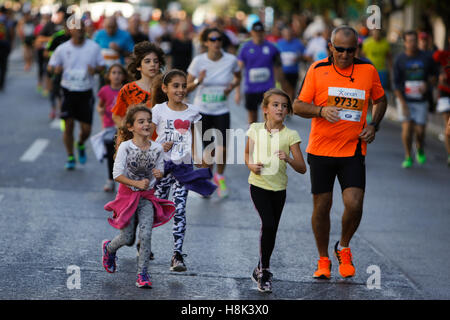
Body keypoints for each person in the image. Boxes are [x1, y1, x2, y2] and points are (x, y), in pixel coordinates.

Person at [294, 26, 387, 279]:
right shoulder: (317, 70)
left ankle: (343, 246)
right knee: (322, 206)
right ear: (330, 47)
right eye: (340, 49)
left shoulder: (368, 70)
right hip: (322, 150)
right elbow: (297, 105)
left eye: (351, 50)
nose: (345, 55)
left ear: (356, 49)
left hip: (353, 149)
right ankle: (323, 259)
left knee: (354, 204)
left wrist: (374, 125)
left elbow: (380, 99)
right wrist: (321, 111)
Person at [102, 105, 176, 288]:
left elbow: (160, 169)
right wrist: (135, 184)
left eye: (149, 121)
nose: (146, 124)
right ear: (130, 127)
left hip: (147, 198)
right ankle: (109, 248)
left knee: (146, 234)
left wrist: (159, 174)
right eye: (141, 121)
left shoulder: (157, 148)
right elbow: (116, 174)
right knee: (127, 238)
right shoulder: (125, 147)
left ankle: (142, 273)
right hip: (127, 197)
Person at [150, 69, 216, 272]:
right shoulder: (158, 110)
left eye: (183, 86)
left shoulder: (193, 112)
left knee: (179, 209)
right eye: (175, 86)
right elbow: (148, 139)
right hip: (161, 168)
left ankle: (177, 254)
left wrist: (201, 161)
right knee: (154, 209)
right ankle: (144, 243)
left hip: (183, 169)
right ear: (165, 88)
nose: (180, 90)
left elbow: (196, 141)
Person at [245, 88, 306, 293]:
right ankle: (265, 271)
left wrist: (288, 158)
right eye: (275, 105)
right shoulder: (254, 129)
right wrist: (251, 165)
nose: (280, 109)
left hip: (279, 189)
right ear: (265, 109)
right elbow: (247, 153)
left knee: (272, 229)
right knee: (268, 223)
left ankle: (260, 266)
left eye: (284, 106)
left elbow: (302, 168)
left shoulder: (291, 135)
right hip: (258, 185)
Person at [187, 27, 241, 198]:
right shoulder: (198, 61)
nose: (216, 42)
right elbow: (186, 87)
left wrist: (232, 87)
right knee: (209, 150)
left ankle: (220, 176)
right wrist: (198, 81)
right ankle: (206, 179)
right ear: (205, 42)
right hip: (203, 110)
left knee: (222, 148)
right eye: (212, 39)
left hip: (222, 110)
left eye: (219, 39)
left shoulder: (231, 60)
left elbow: (238, 76)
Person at [48, 20, 106, 170]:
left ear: (85, 29)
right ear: (69, 30)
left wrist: (96, 70)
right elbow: (51, 66)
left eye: (81, 27)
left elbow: (102, 66)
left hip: (86, 91)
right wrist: (56, 70)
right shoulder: (62, 48)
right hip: (68, 90)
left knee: (86, 129)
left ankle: (80, 143)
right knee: (69, 125)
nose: (79, 30)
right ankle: (70, 156)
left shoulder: (93, 47)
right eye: (76, 27)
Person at [393, 30, 435, 168]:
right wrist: (403, 103)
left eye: (414, 41)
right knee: (407, 129)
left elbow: (434, 77)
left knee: (420, 131)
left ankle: (420, 148)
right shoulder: (400, 59)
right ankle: (408, 155)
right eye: (409, 41)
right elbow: (396, 84)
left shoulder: (426, 57)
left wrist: (427, 85)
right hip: (405, 100)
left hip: (421, 100)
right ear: (404, 43)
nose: (412, 44)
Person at [236, 21, 284, 124]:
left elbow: (278, 69)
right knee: (252, 120)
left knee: (268, 118)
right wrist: (237, 92)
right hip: (251, 89)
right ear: (251, 32)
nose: (258, 34)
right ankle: (253, 139)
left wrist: (279, 88)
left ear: (264, 32)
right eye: (256, 31)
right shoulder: (245, 48)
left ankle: (266, 139)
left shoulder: (272, 48)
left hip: (267, 90)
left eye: (261, 31)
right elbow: (238, 70)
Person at [111, 41, 165, 129]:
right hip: (136, 141)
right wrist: (128, 132)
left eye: (156, 61)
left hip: (159, 141)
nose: (152, 64)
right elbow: (116, 116)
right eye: (147, 61)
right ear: (138, 66)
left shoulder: (165, 89)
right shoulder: (128, 89)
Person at [97, 63, 128, 192]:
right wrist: (101, 114)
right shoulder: (104, 90)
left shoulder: (126, 90)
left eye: (119, 73)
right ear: (109, 76)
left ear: (124, 76)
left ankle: (124, 181)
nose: (116, 76)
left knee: (123, 154)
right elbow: (100, 106)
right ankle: (110, 179)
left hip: (123, 126)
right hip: (109, 126)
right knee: (111, 154)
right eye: (113, 73)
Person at [433, 34, 450, 166]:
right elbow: (431, 61)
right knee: (448, 127)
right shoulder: (443, 55)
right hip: (445, 92)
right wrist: (439, 73)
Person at [277, 25, 305, 101]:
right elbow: (275, 57)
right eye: (285, 34)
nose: (287, 35)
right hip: (282, 72)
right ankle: (285, 107)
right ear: (282, 34)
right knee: (284, 91)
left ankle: (289, 108)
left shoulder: (298, 43)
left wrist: (298, 57)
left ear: (292, 33)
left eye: (289, 33)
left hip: (294, 72)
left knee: (292, 91)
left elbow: (304, 56)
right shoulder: (279, 43)